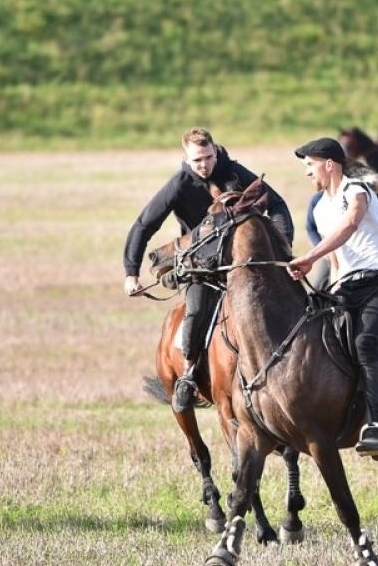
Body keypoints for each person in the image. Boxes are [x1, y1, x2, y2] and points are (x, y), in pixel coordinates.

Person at [123, 128, 294, 414]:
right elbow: (143, 225)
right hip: (200, 267)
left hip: (241, 261)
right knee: (196, 308)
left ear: (215, 151)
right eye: (197, 160)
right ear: (186, 159)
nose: (204, 165)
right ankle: (189, 375)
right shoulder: (179, 185)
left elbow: (276, 204)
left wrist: (282, 246)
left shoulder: (235, 173)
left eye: (208, 157)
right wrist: (131, 273)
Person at [287, 136, 378, 460]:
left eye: (310, 165)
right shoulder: (322, 207)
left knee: (365, 342)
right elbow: (337, 260)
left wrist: (311, 255)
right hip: (347, 287)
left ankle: (377, 427)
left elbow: (352, 223)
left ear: (329, 164)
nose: (307, 173)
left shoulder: (356, 190)